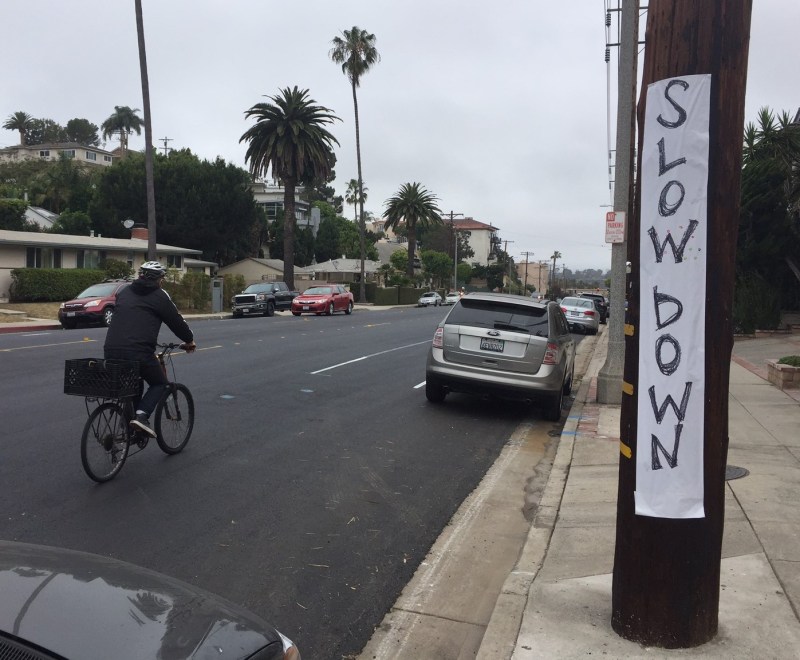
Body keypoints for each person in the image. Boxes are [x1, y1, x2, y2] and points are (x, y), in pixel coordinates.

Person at [104, 261, 196, 438]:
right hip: (138, 352)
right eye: (162, 278)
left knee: (133, 382)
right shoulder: (159, 296)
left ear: (141, 276)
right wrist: (189, 340)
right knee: (160, 383)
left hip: (111, 350)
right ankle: (141, 416)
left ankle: (129, 426)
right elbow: (176, 321)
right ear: (159, 279)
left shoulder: (124, 292)